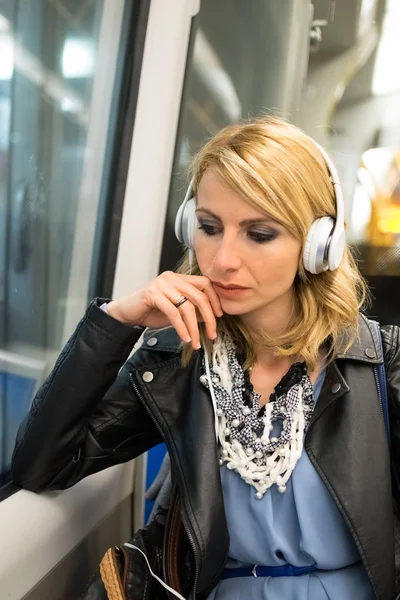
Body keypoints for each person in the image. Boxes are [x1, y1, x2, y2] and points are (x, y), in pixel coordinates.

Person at [11, 116, 400, 600]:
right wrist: (116, 321)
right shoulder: (179, 361)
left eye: (260, 234)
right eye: (210, 228)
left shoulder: (383, 363)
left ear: (319, 245)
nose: (222, 260)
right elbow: (44, 464)